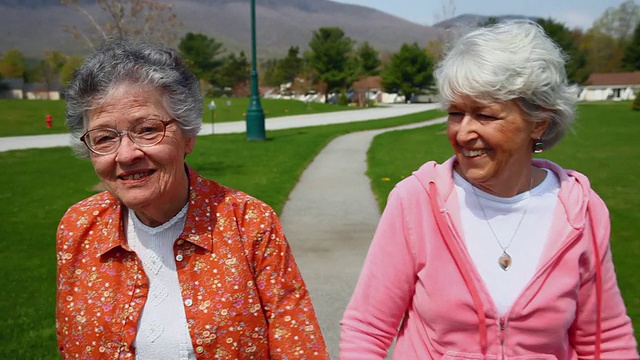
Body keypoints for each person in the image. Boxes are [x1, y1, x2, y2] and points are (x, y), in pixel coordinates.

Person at [340, 20, 638, 359]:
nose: (463, 132)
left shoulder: (581, 210)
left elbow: (606, 340)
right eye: (456, 113)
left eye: (484, 115)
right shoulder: (417, 201)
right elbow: (366, 329)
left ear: (538, 122)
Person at [56, 39, 328, 360]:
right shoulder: (78, 228)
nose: (126, 154)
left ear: (188, 135)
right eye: (104, 137)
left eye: (146, 129)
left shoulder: (250, 224)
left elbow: (299, 347)